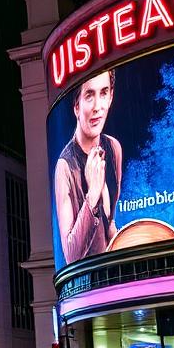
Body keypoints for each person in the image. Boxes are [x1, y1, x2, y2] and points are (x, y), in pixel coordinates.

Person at [53, 69, 123, 263]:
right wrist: (92, 195)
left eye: (104, 93)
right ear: (76, 106)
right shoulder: (64, 166)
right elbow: (71, 256)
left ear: (111, 97)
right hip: (88, 284)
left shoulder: (114, 148)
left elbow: (110, 224)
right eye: (89, 95)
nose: (97, 107)